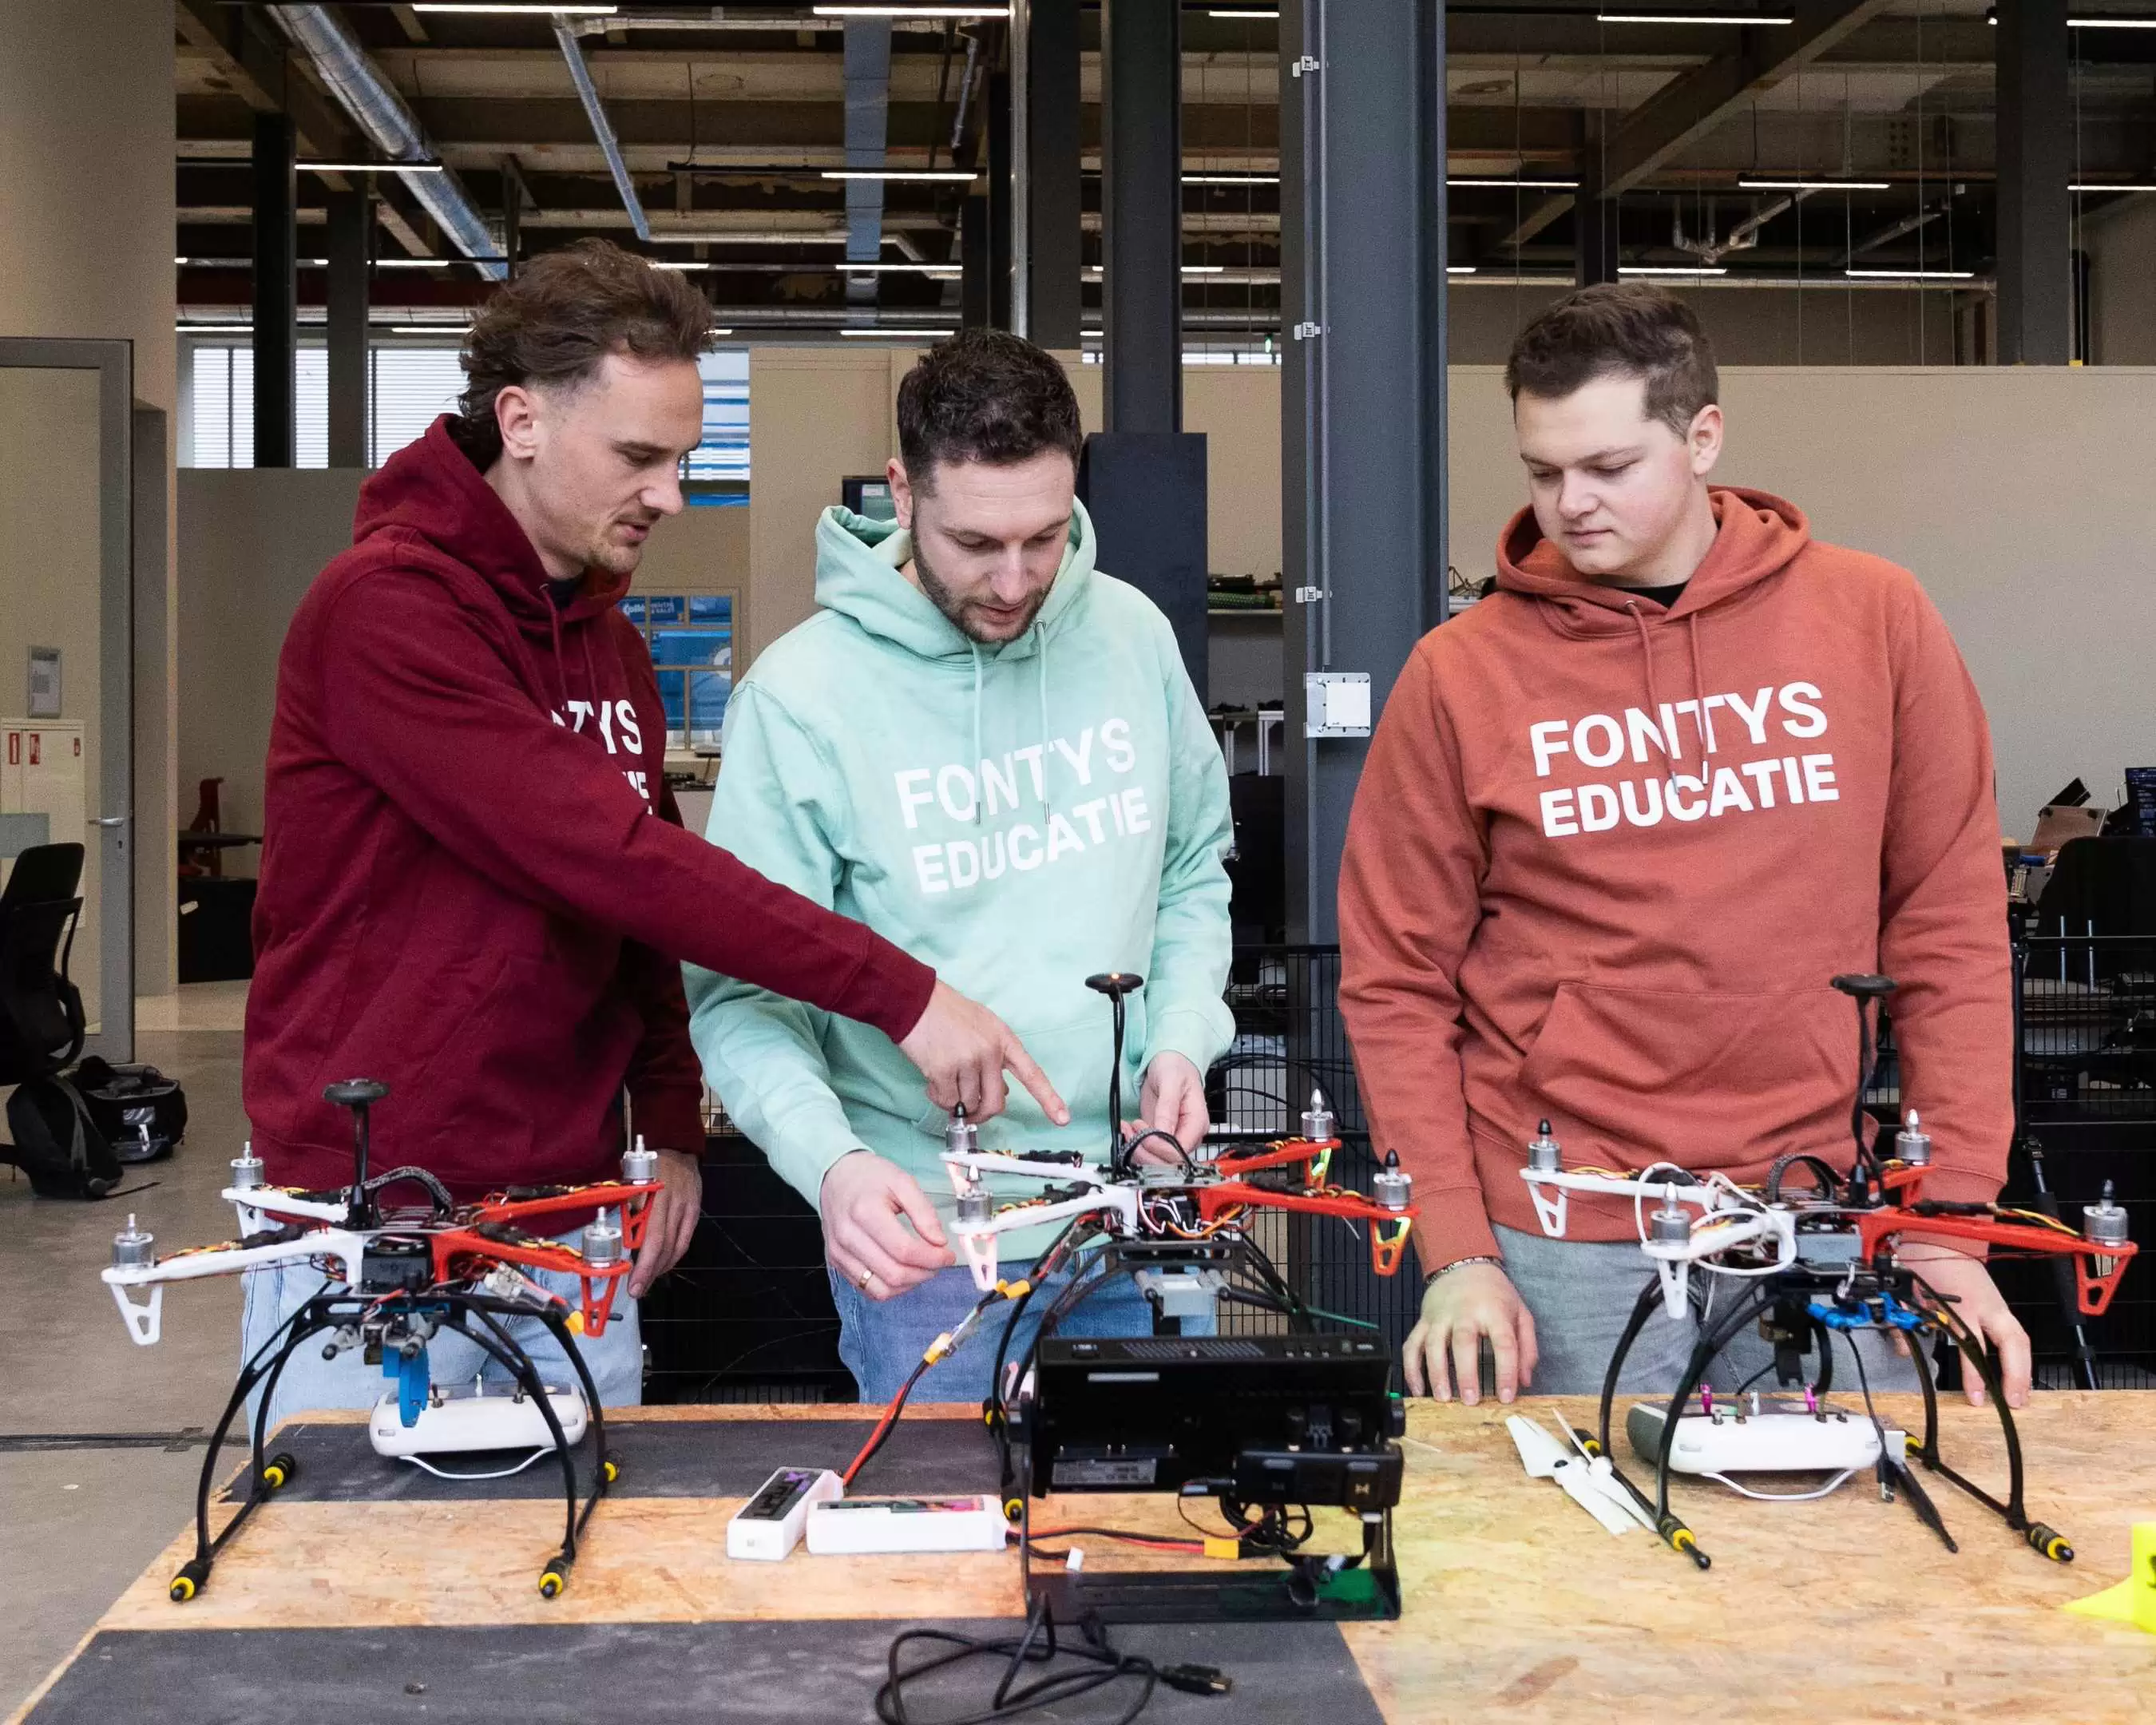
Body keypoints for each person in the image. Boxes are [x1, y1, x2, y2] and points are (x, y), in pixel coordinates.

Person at [241, 242, 1062, 1425]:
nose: (672, 494)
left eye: (681, 458)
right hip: (376, 1220)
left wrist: (669, 1124)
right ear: (520, 420)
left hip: (573, 1219)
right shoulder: (385, 614)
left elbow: (636, 909)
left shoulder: (609, 643)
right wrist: (902, 992)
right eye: (640, 457)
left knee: (582, 1581)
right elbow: (611, 856)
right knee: (347, 1586)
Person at [1338, 283, 2027, 1410]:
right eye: (1543, 472)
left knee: (1843, 1568)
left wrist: (1949, 1221)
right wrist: (1456, 1250)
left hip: (1817, 1212)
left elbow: (1949, 934)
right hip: (1563, 1234)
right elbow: (1395, 983)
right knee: (1582, 1576)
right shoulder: (1461, 674)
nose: (1572, 504)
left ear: (1704, 436)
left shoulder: (1876, 618)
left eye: (1609, 468)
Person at [685, 330, 1235, 1403]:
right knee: (947, 1554)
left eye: (1045, 535)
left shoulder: (1131, 637)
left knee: (1168, 1549)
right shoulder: (799, 701)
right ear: (902, 491)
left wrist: (1179, 1042)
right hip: (932, 1245)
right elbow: (742, 995)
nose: (1017, 578)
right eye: (977, 542)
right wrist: (832, 1167)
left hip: (1139, 1208)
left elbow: (1190, 876)